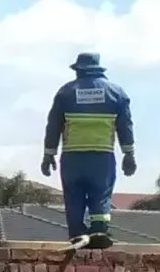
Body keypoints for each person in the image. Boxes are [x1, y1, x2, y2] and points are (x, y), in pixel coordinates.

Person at [40, 52, 135, 250]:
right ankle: (99, 229)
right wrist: (129, 153)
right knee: (101, 193)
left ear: (78, 70)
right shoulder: (116, 93)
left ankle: (76, 233)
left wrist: (49, 154)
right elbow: (125, 126)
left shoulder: (65, 93)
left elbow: (53, 126)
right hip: (102, 157)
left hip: (72, 157)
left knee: (73, 195)